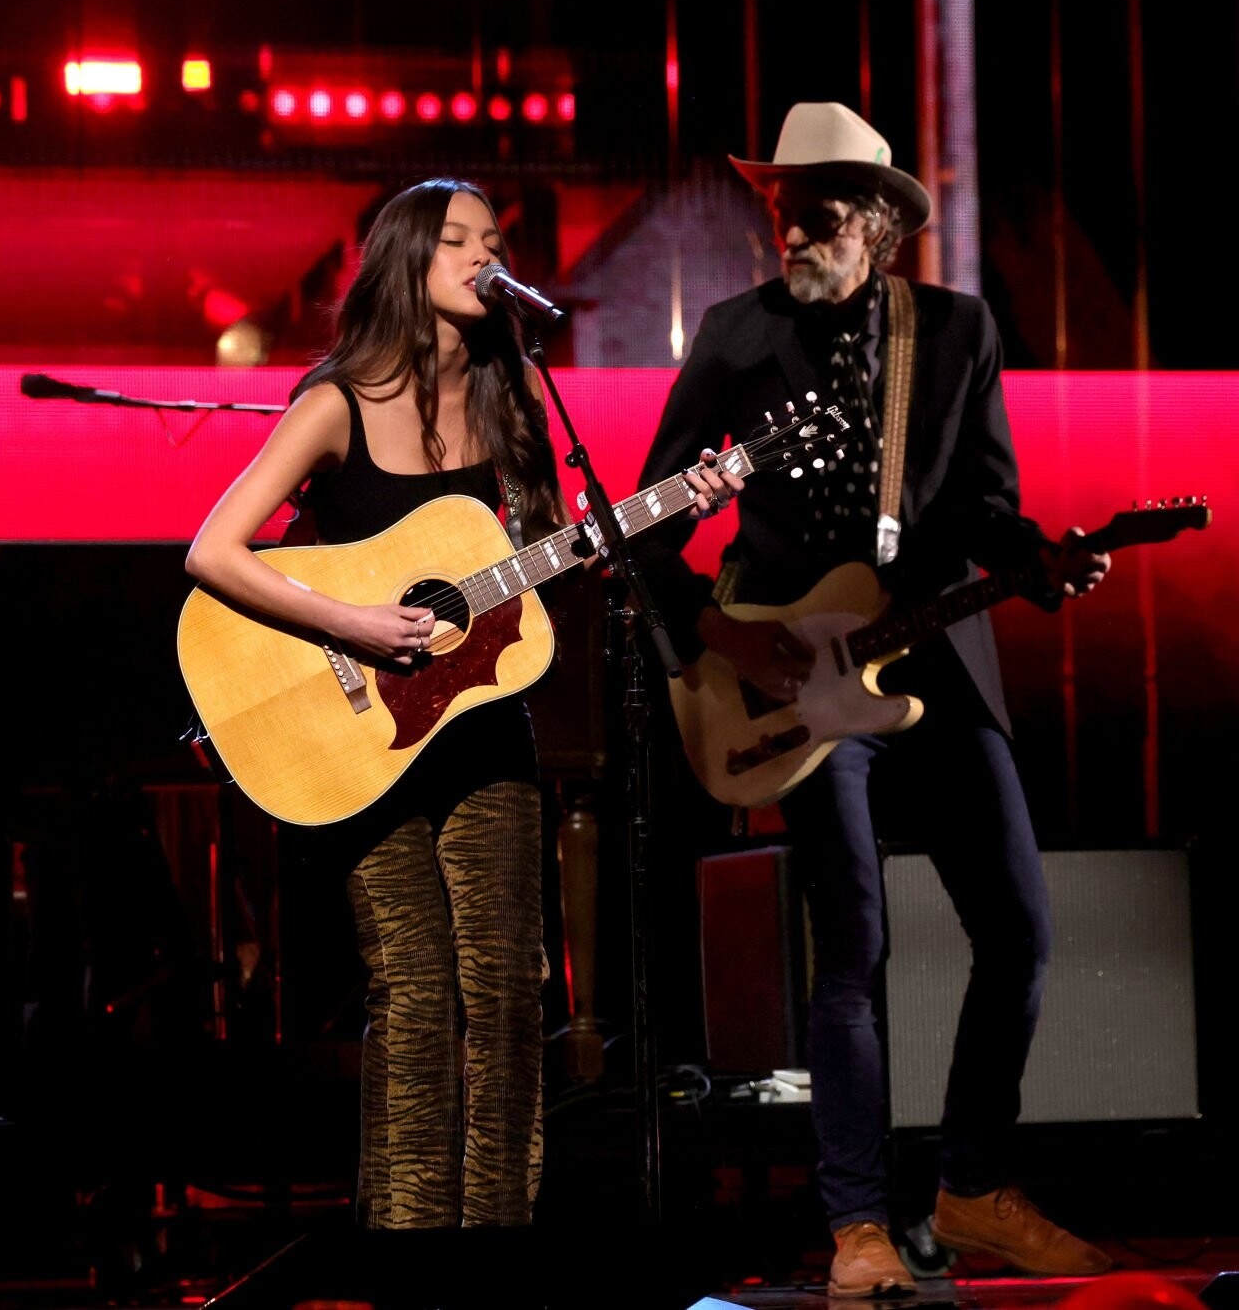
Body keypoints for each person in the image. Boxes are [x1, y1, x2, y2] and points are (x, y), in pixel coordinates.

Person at [635, 103, 1113, 1298]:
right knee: (850, 942)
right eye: (780, 210)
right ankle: (854, 1224)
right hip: (792, 676)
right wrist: (721, 639)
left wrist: (1036, 560)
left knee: (1018, 930)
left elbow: (986, 505)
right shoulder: (735, 333)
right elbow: (645, 527)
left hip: (932, 659)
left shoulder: (953, 330)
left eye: (818, 213)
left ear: (879, 225)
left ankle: (970, 1188)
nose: (792, 231)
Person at [185, 178, 561, 1229]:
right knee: (414, 986)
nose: (485, 257)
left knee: (507, 990)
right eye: (458, 241)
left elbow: (541, 555)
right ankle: (406, 1251)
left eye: (494, 241)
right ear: (405, 259)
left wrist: (671, 510)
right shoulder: (335, 404)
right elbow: (213, 551)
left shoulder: (514, 395)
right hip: (366, 739)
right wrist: (347, 623)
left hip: (482, 725)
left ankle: (496, 1245)